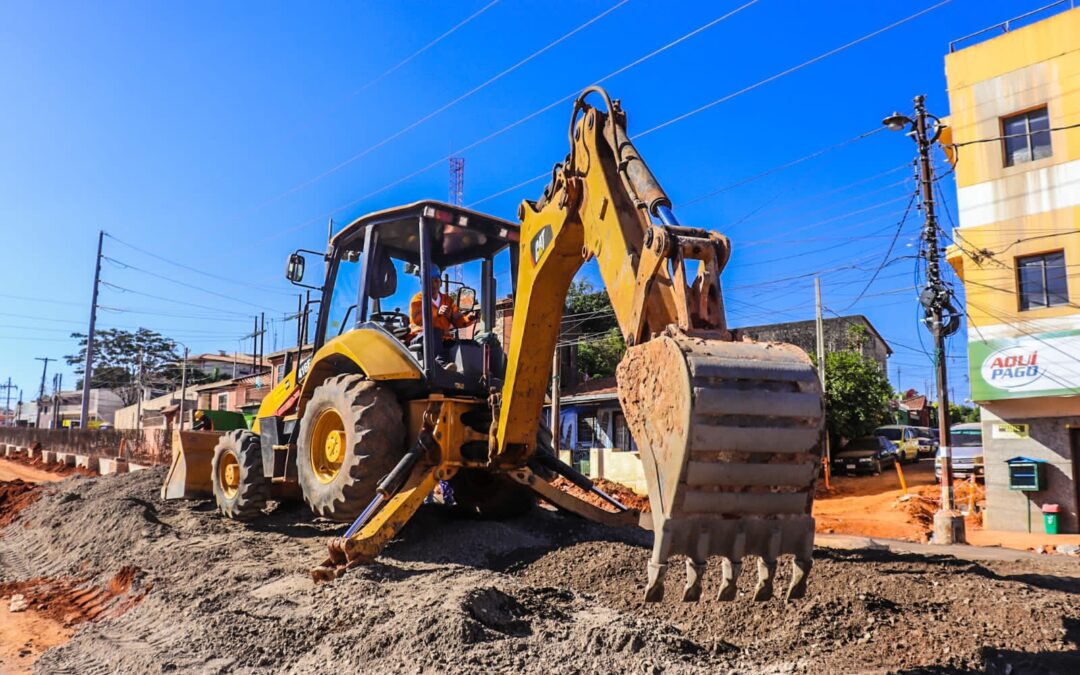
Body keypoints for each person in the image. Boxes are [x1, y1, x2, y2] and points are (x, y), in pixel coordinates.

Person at [408, 265, 477, 364]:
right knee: (434, 332)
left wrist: (469, 318)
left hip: (443, 339)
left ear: (440, 283)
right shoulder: (417, 300)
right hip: (421, 337)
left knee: (466, 345)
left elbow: (458, 319)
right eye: (430, 281)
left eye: (436, 281)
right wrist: (437, 313)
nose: (434, 284)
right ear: (423, 283)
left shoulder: (447, 300)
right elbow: (417, 320)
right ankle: (441, 365)